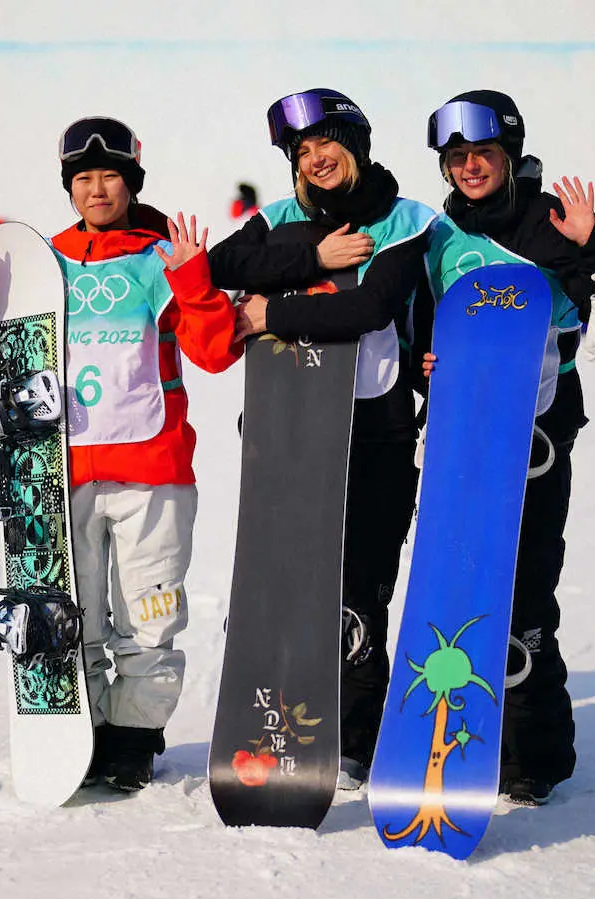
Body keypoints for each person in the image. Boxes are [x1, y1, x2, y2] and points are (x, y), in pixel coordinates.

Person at [0, 116, 241, 792]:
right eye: (84, 178)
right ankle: (86, 734)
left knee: (148, 618)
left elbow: (216, 353)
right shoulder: (45, 262)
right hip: (60, 469)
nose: (98, 189)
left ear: (132, 182)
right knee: (79, 619)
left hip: (152, 471)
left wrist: (191, 278)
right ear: (69, 187)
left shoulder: (162, 257)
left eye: (111, 176)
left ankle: (133, 737)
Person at [207, 89, 436, 791]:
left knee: (361, 588)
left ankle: (356, 737)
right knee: (291, 585)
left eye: (326, 144)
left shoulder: (406, 221)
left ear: (357, 145)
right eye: (301, 152)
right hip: (289, 425)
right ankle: (287, 722)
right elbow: (219, 268)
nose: (315, 158)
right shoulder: (277, 219)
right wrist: (313, 255)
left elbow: (369, 309)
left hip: (377, 427)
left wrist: (268, 309)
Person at [420, 89, 595, 805]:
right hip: (460, 430)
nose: (470, 168)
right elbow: (425, 324)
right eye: (457, 158)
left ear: (509, 156)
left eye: (482, 154)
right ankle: (453, 737)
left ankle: (532, 756)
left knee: (524, 589)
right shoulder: (441, 236)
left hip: (540, 426)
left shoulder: (549, 222)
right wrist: (425, 364)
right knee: (459, 585)